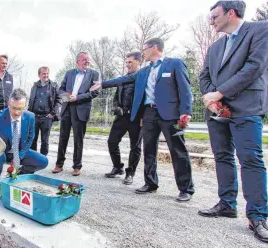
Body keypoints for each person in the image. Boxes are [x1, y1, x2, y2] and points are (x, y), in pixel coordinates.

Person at [90, 38, 194, 202]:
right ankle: (150, 183)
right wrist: (103, 84)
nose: (142, 52)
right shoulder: (144, 71)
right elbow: (123, 80)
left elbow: (185, 89)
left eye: (144, 49)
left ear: (154, 48)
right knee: (149, 149)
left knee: (178, 150)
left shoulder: (174, 64)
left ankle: (186, 188)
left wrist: (185, 112)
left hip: (170, 114)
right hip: (149, 114)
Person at [198, 1, 268, 243]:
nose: (211, 21)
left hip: (246, 107)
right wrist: (211, 100)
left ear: (231, 13)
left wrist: (220, 93)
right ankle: (227, 204)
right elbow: (204, 74)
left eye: (215, 16)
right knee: (223, 157)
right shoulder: (216, 46)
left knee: (250, 159)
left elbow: (254, 67)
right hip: (217, 111)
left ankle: (258, 216)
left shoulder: (260, 30)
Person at [0, 89, 48, 199]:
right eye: (13, 108)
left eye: (20, 109)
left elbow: (30, 138)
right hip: (2, 152)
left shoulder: (30, 117)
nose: (17, 112)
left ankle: (18, 177)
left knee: (43, 161)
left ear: (25, 106)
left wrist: (20, 156)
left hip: (19, 151)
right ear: (9, 103)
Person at [53, 51, 99, 176]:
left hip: (81, 108)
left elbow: (94, 93)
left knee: (78, 139)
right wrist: (66, 96)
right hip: (67, 107)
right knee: (63, 138)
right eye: (84, 59)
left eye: (88, 59)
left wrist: (77, 97)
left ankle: (77, 166)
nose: (87, 61)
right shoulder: (69, 73)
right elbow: (61, 89)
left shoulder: (94, 74)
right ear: (77, 61)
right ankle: (59, 165)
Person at [104, 52, 143, 185]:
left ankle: (130, 173)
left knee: (135, 147)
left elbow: (144, 98)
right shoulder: (123, 79)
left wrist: (143, 116)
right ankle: (117, 167)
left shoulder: (141, 78)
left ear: (139, 62)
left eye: (130, 62)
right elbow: (116, 96)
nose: (127, 65)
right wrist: (116, 107)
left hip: (136, 117)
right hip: (121, 117)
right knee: (112, 142)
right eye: (126, 62)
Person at [27, 66, 61, 155]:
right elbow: (31, 100)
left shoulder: (53, 86)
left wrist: (53, 113)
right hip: (34, 117)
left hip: (47, 117)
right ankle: (33, 158)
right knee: (32, 138)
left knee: (45, 140)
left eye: (47, 73)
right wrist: (29, 113)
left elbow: (58, 100)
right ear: (39, 75)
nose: (46, 75)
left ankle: (43, 159)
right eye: (43, 74)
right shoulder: (35, 86)